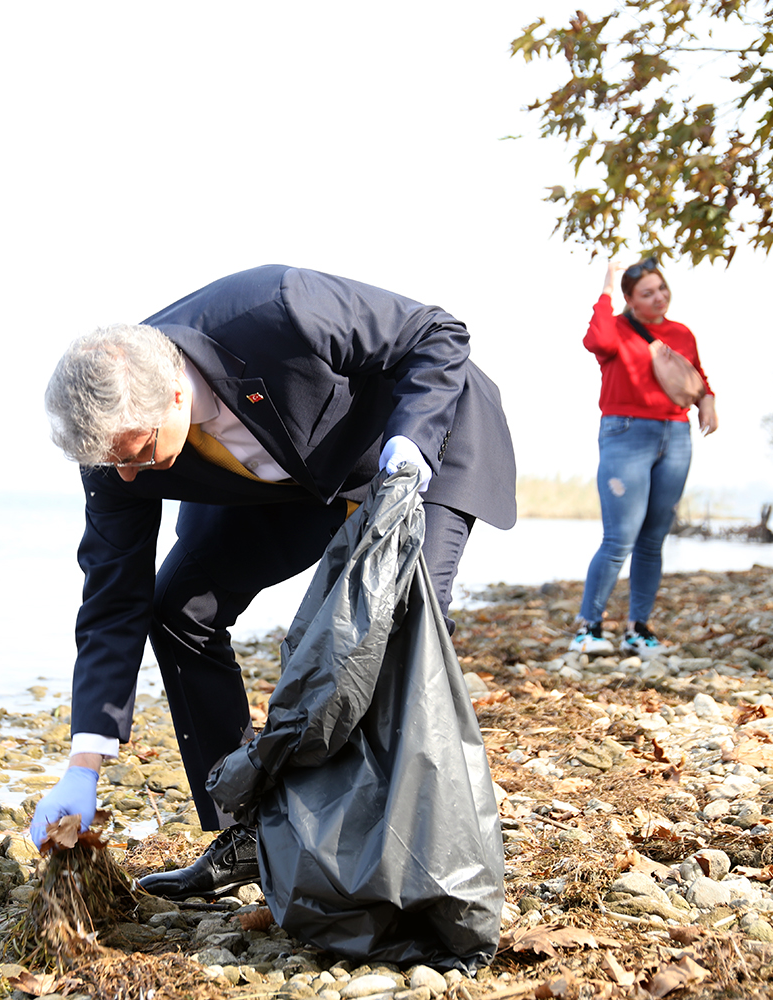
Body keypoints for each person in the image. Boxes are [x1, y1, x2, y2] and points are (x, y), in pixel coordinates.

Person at [31, 265, 516, 900]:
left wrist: (410, 443)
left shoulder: (277, 309)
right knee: (180, 608)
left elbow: (437, 333)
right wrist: (83, 764)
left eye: (138, 454)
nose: (127, 476)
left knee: (393, 630)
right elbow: (113, 596)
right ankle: (249, 837)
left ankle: (406, 848)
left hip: (416, 441)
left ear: (176, 395)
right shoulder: (116, 449)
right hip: (287, 480)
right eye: (111, 462)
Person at [569, 258, 717, 657]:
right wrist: (605, 287)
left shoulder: (681, 333)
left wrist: (708, 400)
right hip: (626, 433)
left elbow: (695, 375)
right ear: (630, 300)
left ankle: (639, 630)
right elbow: (595, 341)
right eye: (647, 293)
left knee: (653, 539)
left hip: (676, 434)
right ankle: (588, 628)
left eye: (662, 289)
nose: (658, 298)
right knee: (620, 537)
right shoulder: (616, 328)